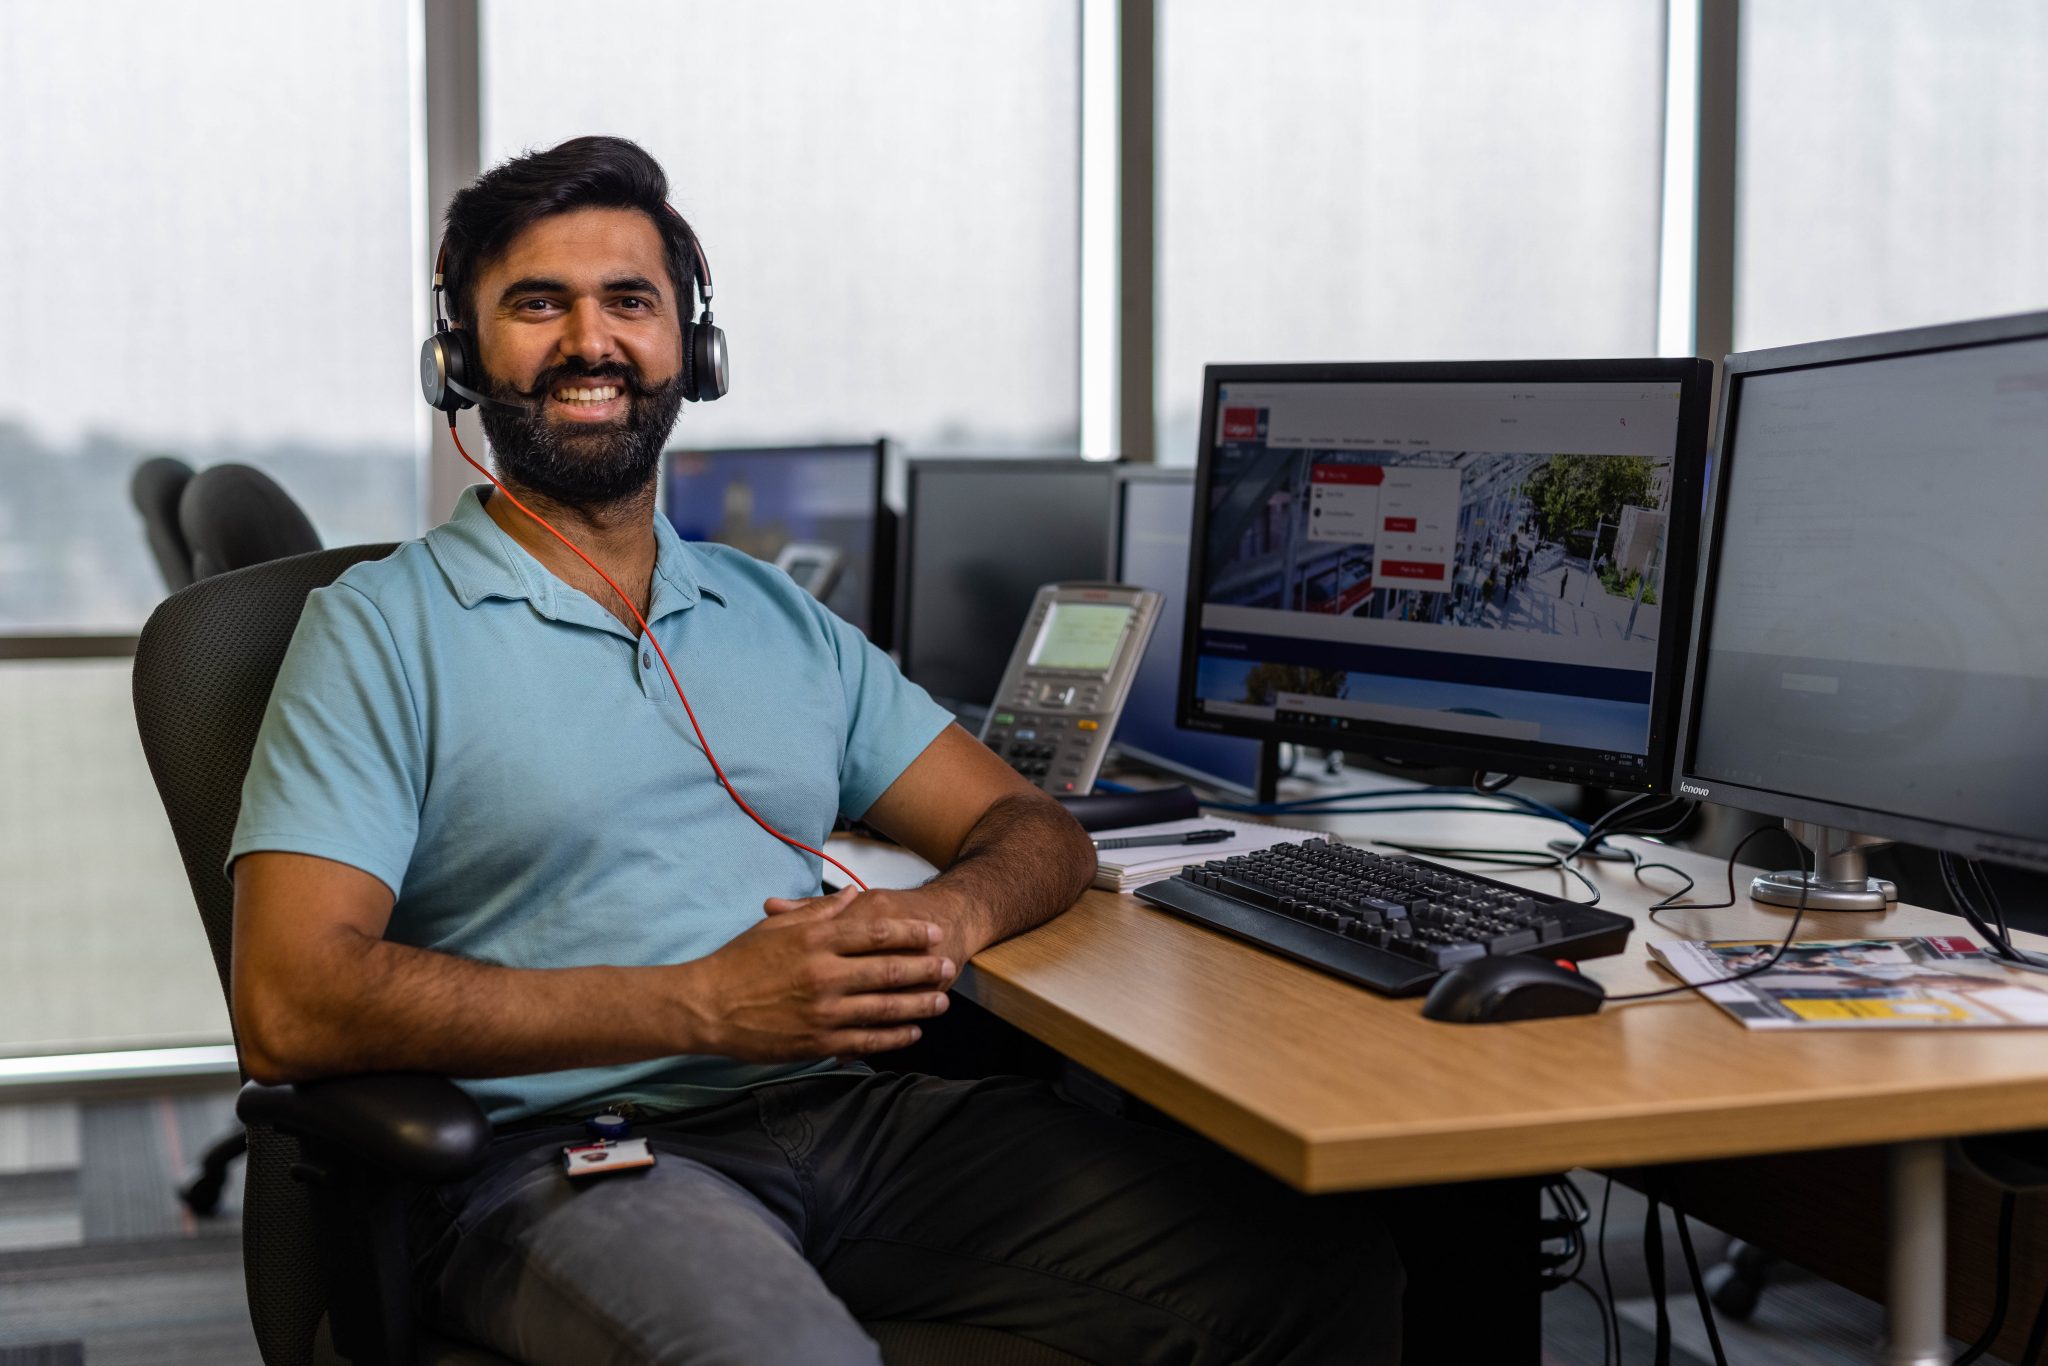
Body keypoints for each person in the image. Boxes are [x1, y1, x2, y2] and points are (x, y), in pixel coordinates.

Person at [227, 136, 1400, 1366]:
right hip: (568, 1157)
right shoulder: (377, 630)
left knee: (1320, 1275)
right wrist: (697, 1002)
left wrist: (943, 922)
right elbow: (291, 1002)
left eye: (631, 300)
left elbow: (1030, 828)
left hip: (855, 1121)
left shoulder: (771, 614)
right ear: (461, 357)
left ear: (694, 349)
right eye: (537, 303)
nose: (590, 342)